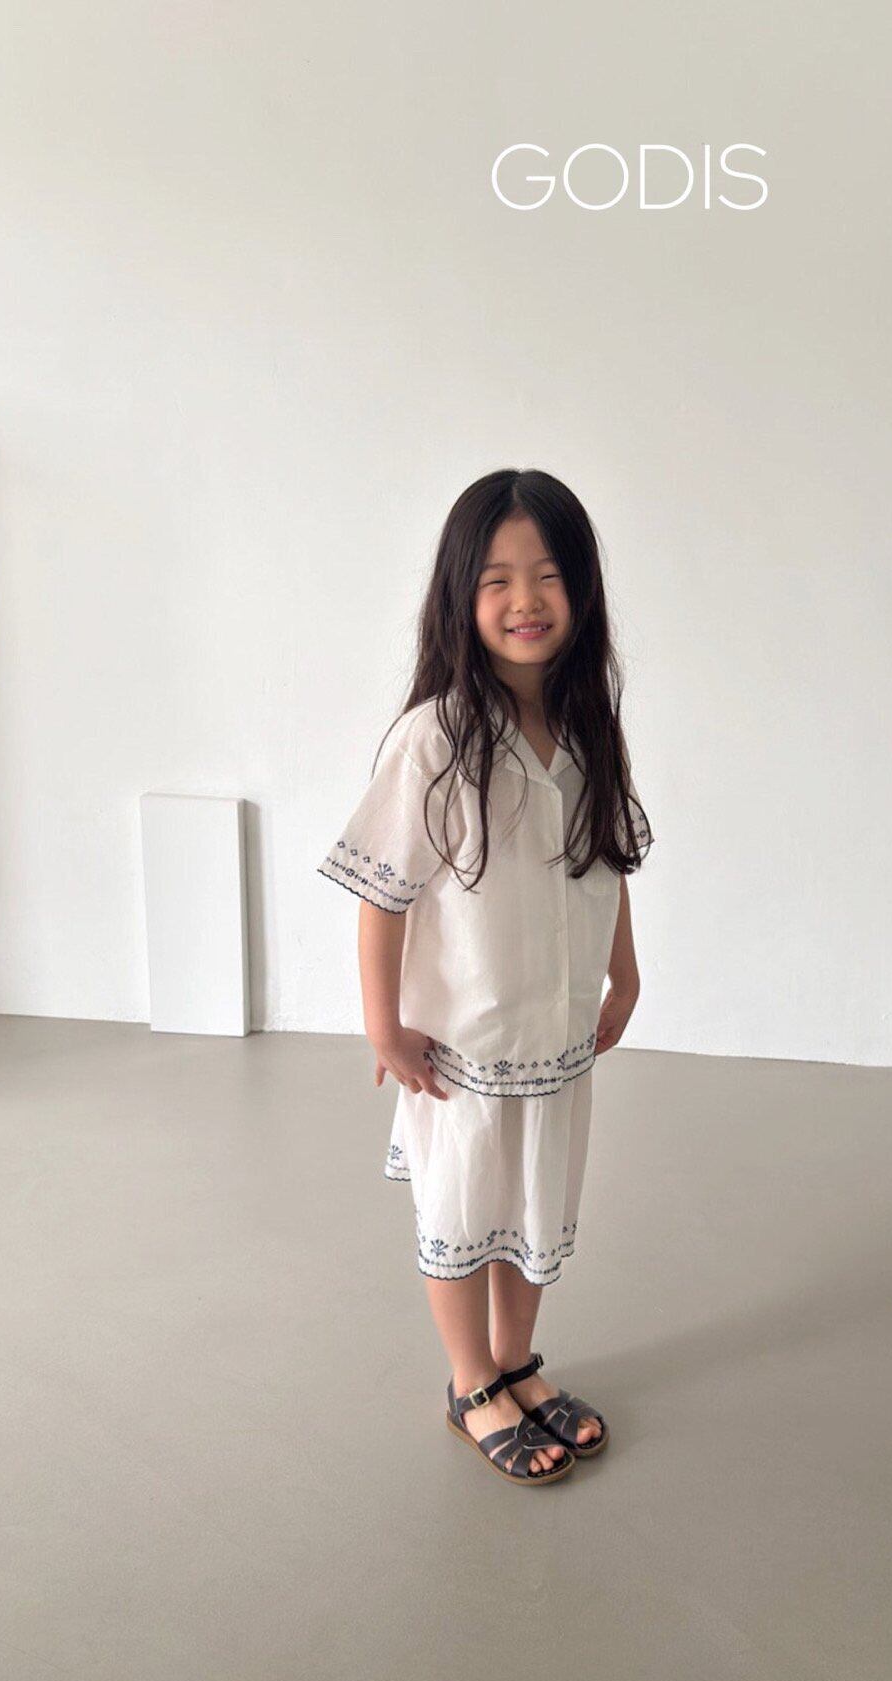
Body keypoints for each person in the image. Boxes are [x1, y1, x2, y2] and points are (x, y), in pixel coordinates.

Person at [317, 468, 654, 1486]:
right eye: (497, 579)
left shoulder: (588, 729)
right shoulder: (436, 736)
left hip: (555, 1035)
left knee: (532, 1207)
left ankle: (516, 1361)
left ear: (580, 589)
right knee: (463, 1212)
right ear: (460, 595)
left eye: (547, 575)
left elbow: (605, 866)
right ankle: (471, 1382)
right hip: (463, 1045)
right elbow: (382, 892)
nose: (524, 600)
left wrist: (624, 975)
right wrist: (384, 1026)